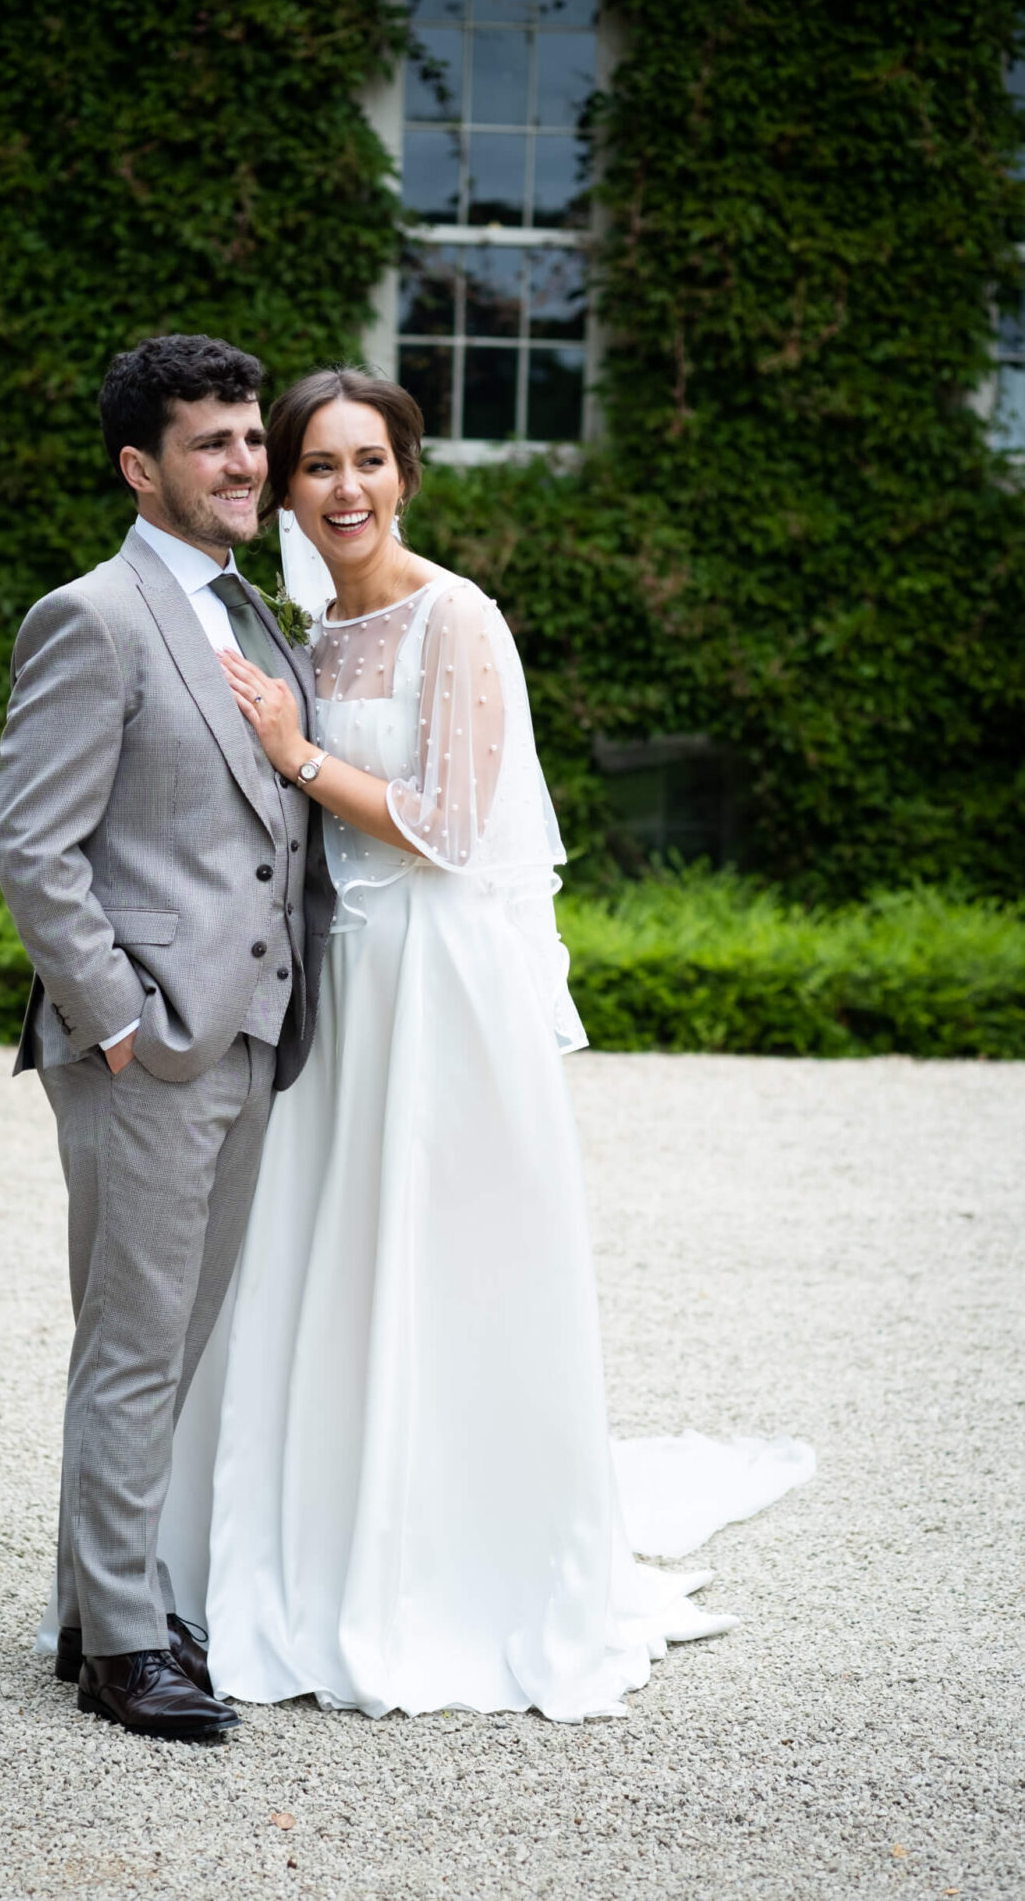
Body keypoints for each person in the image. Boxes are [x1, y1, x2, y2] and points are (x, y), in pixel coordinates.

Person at [160, 368, 814, 1721]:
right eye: (318, 466)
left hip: (438, 984)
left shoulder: (455, 618)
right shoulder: (304, 634)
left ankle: (455, 1561)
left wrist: (294, 756)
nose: (346, 489)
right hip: (336, 985)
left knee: (449, 1263)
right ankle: (303, 1543)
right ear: (283, 488)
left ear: (407, 472)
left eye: (369, 462)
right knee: (322, 1258)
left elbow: (453, 825)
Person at [0, 334, 334, 1740]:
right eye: (215, 442)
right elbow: (35, 846)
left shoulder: (252, 615)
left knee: (174, 1340)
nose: (249, 462)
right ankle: (123, 1647)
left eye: (253, 437)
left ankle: (100, 1598)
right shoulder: (94, 616)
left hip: (252, 1034)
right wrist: (120, 1023)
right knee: (133, 1344)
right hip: (150, 1046)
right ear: (144, 467)